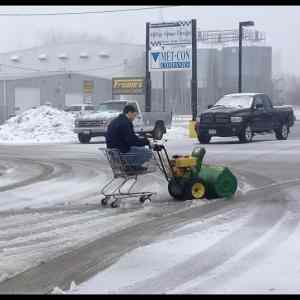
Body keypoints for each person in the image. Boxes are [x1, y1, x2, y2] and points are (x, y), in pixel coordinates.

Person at [105, 104, 152, 172]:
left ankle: (132, 167)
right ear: (129, 113)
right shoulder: (125, 123)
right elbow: (131, 141)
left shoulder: (116, 121)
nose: (134, 117)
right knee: (148, 153)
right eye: (134, 115)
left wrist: (141, 140)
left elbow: (128, 137)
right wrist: (146, 141)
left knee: (141, 148)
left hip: (113, 151)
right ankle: (131, 167)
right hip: (121, 152)